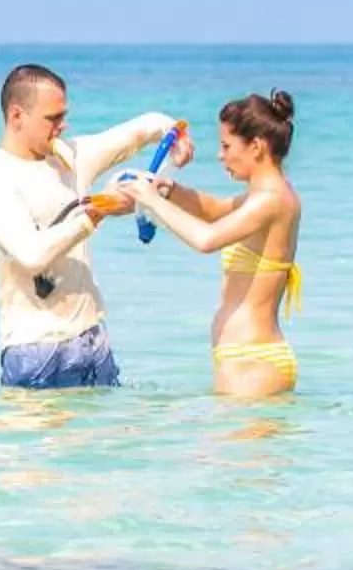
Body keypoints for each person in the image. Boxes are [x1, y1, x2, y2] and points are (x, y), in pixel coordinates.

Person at [0, 64, 189, 389]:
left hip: (93, 341)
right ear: (17, 116)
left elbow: (139, 130)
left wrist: (174, 134)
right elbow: (32, 254)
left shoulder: (70, 156)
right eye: (52, 118)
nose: (63, 125)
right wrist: (98, 211)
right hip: (35, 351)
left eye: (64, 115)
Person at [125, 91, 302, 399]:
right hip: (243, 359)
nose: (220, 155)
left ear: (257, 147)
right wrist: (171, 190)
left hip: (253, 363)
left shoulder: (272, 199)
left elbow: (206, 239)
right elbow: (217, 209)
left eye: (226, 146)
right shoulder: (263, 195)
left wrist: (150, 200)